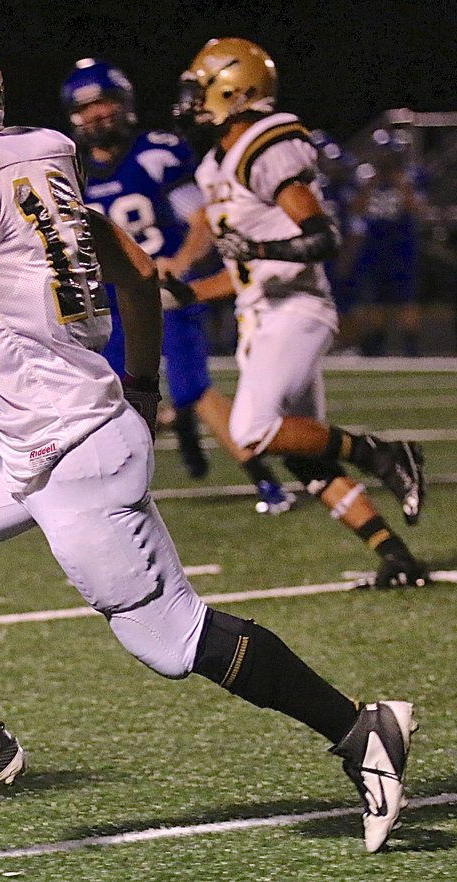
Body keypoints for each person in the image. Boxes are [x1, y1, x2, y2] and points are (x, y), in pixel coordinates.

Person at [0, 25, 413, 851]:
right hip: (31, 438)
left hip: (77, 451)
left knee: (170, 639)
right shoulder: (31, 161)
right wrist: (145, 386)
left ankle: (360, 727)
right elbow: (132, 265)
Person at [166, 38, 428, 590]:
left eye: (199, 89)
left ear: (233, 90)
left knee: (253, 430)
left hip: (298, 309)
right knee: (302, 452)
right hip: (262, 313)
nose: (189, 102)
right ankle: (395, 555)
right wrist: (180, 294)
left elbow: (321, 237)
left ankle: (383, 453)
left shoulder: (265, 143)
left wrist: (258, 253)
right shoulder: (218, 164)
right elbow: (242, 276)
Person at [60, 59, 292, 512]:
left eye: (104, 102)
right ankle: (133, 471)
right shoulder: (70, 173)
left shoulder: (155, 152)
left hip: (165, 292)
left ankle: (267, 483)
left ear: (124, 104)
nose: (96, 115)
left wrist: (179, 263)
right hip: (110, 301)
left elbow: (200, 219)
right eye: (86, 107)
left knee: (192, 389)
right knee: (112, 396)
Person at [346, 136, 426, 356]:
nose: (385, 158)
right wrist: (369, 187)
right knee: (376, 302)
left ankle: (411, 350)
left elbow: (418, 209)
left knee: (406, 300)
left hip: (402, 247)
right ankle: (376, 350)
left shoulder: (410, 176)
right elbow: (354, 209)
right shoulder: (365, 177)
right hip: (374, 247)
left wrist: (401, 185)